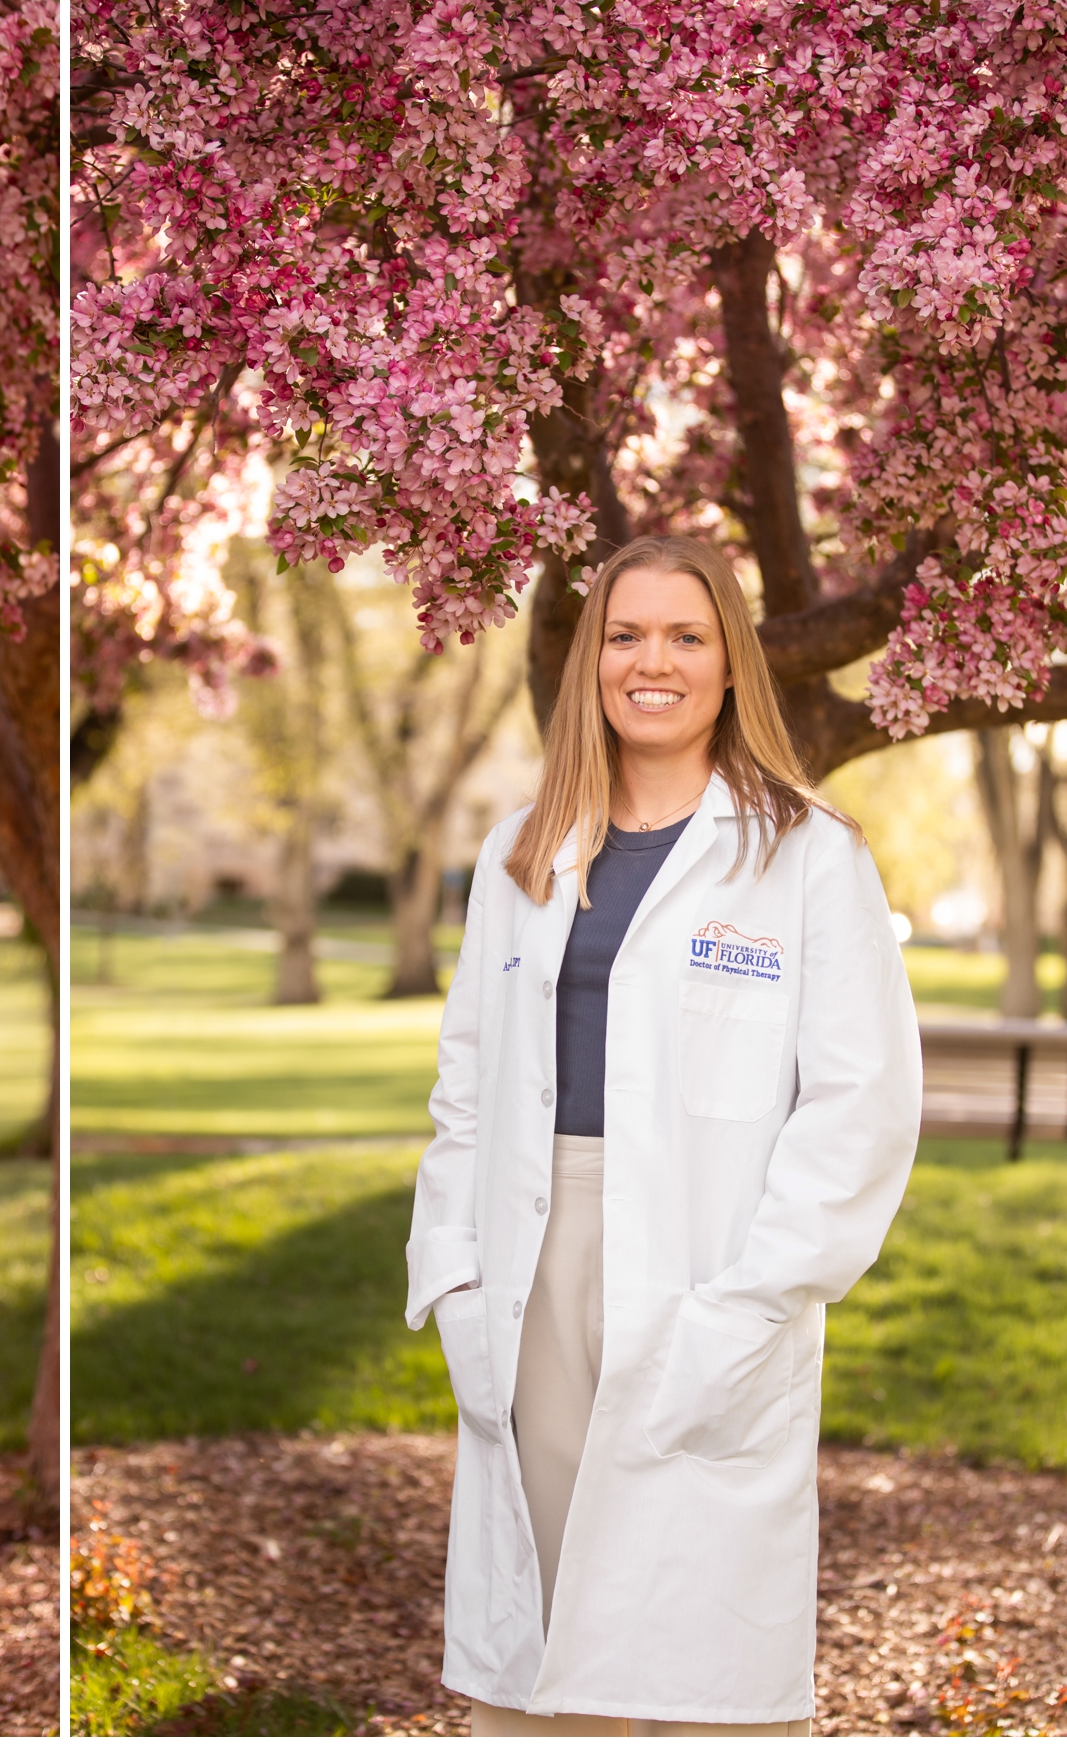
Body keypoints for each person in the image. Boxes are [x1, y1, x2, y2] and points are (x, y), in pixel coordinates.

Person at [407, 534, 921, 1735]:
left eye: (687, 636)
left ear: (732, 664)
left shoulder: (808, 854)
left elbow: (862, 1111)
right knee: (543, 1630)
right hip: (534, 1256)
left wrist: (757, 1298)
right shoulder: (521, 853)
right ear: (592, 662)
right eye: (626, 635)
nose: (655, 662)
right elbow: (468, 1084)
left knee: (697, 1637)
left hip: (711, 1257)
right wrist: (457, 1269)